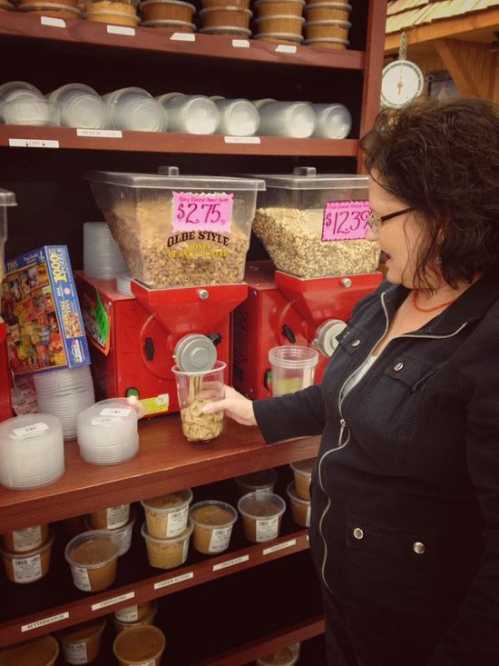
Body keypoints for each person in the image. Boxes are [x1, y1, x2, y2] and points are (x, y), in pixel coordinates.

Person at [203, 98, 499, 666]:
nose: (367, 235)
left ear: (447, 219)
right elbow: (346, 393)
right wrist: (257, 413)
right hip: (351, 595)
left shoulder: (487, 341)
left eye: (381, 218)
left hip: (422, 631)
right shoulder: (390, 297)